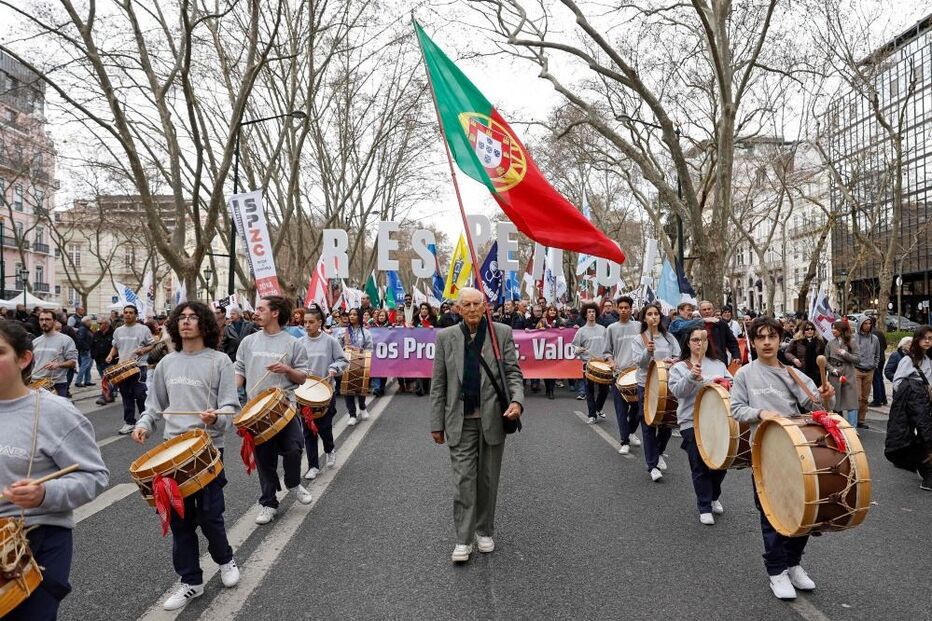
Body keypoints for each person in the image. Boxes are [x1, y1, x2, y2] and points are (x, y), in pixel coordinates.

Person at [131, 302, 241, 611]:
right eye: (182, 318)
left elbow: (229, 408)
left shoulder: (220, 361)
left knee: (210, 517)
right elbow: (154, 406)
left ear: (205, 324)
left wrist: (215, 419)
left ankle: (226, 560)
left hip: (206, 449)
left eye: (193, 318)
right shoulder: (166, 363)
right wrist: (143, 425)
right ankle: (191, 581)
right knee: (180, 523)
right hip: (171, 453)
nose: (186, 322)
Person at [0, 320, 109, 620]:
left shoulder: (55, 413)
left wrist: (45, 493)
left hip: (38, 541)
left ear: (24, 359)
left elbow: (95, 476)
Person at [731, 316, 834, 600]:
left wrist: (826, 395)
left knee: (803, 510)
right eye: (761, 337)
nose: (767, 342)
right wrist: (760, 413)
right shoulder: (745, 375)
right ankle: (776, 571)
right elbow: (736, 408)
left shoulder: (793, 374)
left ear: (780, 340)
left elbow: (819, 407)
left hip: (800, 453)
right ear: (753, 342)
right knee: (772, 513)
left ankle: (793, 563)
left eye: (772, 337)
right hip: (764, 452)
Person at [430, 287, 523, 563]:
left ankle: (484, 531)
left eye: (476, 304)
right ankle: (463, 539)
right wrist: (436, 423)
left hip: (494, 418)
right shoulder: (445, 337)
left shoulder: (501, 333)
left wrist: (517, 402)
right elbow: (439, 384)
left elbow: (512, 372)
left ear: (485, 307)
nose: (472, 309)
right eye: (466, 305)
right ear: (457, 309)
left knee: (487, 479)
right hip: (459, 420)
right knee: (463, 480)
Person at [234, 296, 313, 525]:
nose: (256, 312)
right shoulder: (248, 342)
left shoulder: (293, 343)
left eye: (260, 308)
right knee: (264, 460)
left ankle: (293, 482)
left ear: (275, 313)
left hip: (284, 406)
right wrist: (231, 392)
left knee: (294, 448)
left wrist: (287, 369)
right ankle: (268, 503)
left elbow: (302, 377)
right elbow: (239, 370)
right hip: (255, 411)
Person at [668, 327, 732, 524]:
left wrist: (727, 383)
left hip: (719, 420)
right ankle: (704, 505)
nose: (699, 343)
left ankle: (713, 496)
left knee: (721, 463)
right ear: (688, 343)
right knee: (700, 464)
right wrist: (691, 377)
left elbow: (732, 382)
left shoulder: (718, 364)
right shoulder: (679, 367)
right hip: (691, 421)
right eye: (695, 340)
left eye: (702, 340)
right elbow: (677, 392)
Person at [632, 303, 681, 481]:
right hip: (646, 385)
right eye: (649, 314)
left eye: (656, 314)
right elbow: (639, 362)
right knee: (648, 423)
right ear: (644, 318)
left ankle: (659, 451)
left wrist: (672, 361)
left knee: (667, 422)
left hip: (667, 384)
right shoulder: (639, 339)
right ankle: (652, 465)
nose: (653, 316)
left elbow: (678, 356)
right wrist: (647, 352)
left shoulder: (669, 337)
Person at [297, 308, 348, 480]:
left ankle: (329, 448)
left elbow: (342, 360)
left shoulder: (330, 341)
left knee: (324, 427)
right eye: (305, 322)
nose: (307, 325)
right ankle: (313, 466)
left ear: (320, 322)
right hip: (305, 393)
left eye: (311, 322)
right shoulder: (299, 342)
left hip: (326, 391)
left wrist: (334, 368)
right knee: (308, 430)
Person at [887, 326, 932, 491]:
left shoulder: (930, 359)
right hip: (915, 406)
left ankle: (925, 469)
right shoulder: (908, 360)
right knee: (925, 437)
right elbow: (898, 382)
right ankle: (927, 474)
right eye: (924, 338)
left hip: (929, 404)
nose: (927, 341)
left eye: (930, 338)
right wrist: (915, 391)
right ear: (917, 339)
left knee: (926, 437)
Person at [107, 305, 155, 435]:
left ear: (136, 315)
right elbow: (115, 346)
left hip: (139, 366)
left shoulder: (143, 329)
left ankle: (144, 420)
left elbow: (152, 344)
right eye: (126, 312)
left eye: (131, 313)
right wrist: (111, 355)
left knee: (140, 394)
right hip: (122, 367)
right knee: (126, 395)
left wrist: (144, 350)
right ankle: (129, 423)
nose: (128, 315)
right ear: (123, 314)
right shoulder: (118, 331)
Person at [603, 296, 642, 453]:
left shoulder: (639, 326)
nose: (624, 310)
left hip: (638, 375)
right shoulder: (611, 328)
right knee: (621, 410)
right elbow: (606, 351)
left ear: (631, 309)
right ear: (617, 309)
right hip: (619, 376)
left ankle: (631, 432)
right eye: (621, 307)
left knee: (638, 410)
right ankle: (624, 441)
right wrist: (611, 361)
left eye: (627, 307)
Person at [334, 308, 373, 422]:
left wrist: (359, 350)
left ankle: (362, 407)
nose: (351, 316)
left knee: (362, 386)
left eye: (354, 314)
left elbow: (370, 349)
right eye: (350, 314)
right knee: (347, 388)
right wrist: (345, 349)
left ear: (359, 316)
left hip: (360, 362)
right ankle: (352, 415)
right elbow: (336, 348)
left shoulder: (365, 332)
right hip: (346, 363)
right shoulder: (343, 332)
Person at [29, 309, 79, 398]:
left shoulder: (66, 340)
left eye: (47, 319)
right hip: (36, 384)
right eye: (41, 319)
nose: (44, 322)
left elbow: (72, 363)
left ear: (55, 321)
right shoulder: (35, 341)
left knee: (57, 412)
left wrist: (58, 364)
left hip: (57, 385)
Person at [572, 303, 608, 422]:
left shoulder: (603, 329)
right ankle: (592, 414)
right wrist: (578, 350)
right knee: (589, 390)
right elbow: (574, 347)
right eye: (589, 312)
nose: (591, 314)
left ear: (596, 313)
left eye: (593, 312)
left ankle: (598, 408)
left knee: (604, 389)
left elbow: (609, 346)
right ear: (585, 315)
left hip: (603, 364)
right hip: (588, 363)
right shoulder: (581, 331)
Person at [825, 321, 859, 427]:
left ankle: (853, 428)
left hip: (848, 373)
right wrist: (832, 370)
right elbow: (825, 360)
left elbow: (857, 359)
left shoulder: (852, 341)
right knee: (835, 402)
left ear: (842, 330)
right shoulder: (830, 343)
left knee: (851, 401)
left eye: (835, 328)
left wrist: (845, 354)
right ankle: (838, 427)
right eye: (832, 328)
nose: (833, 330)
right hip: (835, 375)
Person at [854, 316, 881, 428]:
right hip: (857, 370)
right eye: (865, 323)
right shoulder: (854, 338)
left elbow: (878, 354)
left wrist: (875, 365)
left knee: (865, 398)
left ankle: (861, 420)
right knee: (858, 396)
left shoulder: (874, 339)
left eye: (869, 323)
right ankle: (853, 419)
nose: (867, 325)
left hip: (869, 370)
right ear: (860, 324)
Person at [784, 321, 826, 386]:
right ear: (803, 330)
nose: (810, 331)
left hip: (816, 372)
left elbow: (823, 354)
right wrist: (794, 359)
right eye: (807, 329)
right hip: (802, 371)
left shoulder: (819, 341)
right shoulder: (796, 341)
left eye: (812, 329)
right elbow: (787, 352)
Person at [536, 305, 565, 399]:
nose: (552, 312)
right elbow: (536, 329)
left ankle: (551, 391)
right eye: (550, 310)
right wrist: (540, 329)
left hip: (555, 349)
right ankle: (548, 389)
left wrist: (562, 329)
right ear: (548, 311)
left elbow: (568, 328)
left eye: (554, 310)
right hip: (544, 348)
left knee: (553, 370)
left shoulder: (560, 320)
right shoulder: (543, 321)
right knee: (546, 370)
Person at [92, 318, 117, 405]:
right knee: (105, 379)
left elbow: (116, 347)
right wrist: (93, 356)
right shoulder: (96, 334)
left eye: (100, 323)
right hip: (99, 361)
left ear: (106, 324)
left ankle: (103, 397)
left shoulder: (114, 334)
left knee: (106, 379)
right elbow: (92, 345)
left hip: (111, 361)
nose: (99, 325)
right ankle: (110, 395)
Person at [869, 317, 888, 406]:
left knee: (876, 379)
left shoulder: (870, 334)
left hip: (875, 359)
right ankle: (883, 398)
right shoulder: (879, 332)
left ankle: (877, 400)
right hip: (882, 358)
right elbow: (885, 345)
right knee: (880, 378)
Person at [74, 317, 94, 387]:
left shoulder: (86, 328)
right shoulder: (83, 329)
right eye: (90, 321)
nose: (91, 322)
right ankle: (78, 381)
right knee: (84, 366)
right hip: (85, 350)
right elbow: (80, 340)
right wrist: (87, 348)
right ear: (87, 321)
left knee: (88, 366)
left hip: (89, 349)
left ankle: (87, 381)